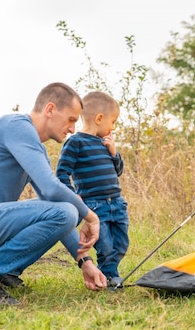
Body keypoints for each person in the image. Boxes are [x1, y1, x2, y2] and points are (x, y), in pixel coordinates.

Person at [0, 82, 107, 306]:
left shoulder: (33, 146)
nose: (72, 129)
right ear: (50, 109)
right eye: (71, 119)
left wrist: (85, 262)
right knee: (69, 209)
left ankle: (5, 270)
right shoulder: (16, 126)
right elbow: (52, 191)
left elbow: (54, 203)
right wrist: (91, 216)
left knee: (68, 210)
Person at [56, 91, 129, 290]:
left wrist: (114, 153)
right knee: (105, 245)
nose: (113, 127)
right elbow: (62, 173)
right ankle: (110, 277)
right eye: (113, 122)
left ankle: (110, 273)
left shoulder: (106, 144)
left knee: (121, 243)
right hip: (95, 205)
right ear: (99, 119)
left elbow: (118, 171)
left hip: (117, 202)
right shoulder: (75, 142)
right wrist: (72, 195)